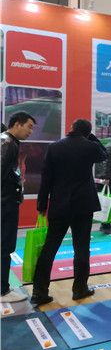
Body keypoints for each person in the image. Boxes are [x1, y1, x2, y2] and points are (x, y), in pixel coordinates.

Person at [32, 119, 108, 305]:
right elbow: (104, 154)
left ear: (71, 128)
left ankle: (39, 292)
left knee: (50, 247)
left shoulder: (54, 147)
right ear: (87, 132)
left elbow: (46, 178)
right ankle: (80, 289)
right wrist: (91, 137)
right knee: (81, 248)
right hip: (83, 205)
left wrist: (42, 204)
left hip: (59, 204)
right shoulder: (90, 146)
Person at [1, 112, 36, 303]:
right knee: (4, 246)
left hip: (6, 201)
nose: (30, 131)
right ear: (17, 124)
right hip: (5, 203)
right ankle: (2, 291)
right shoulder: (8, 143)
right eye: (29, 127)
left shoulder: (7, 141)